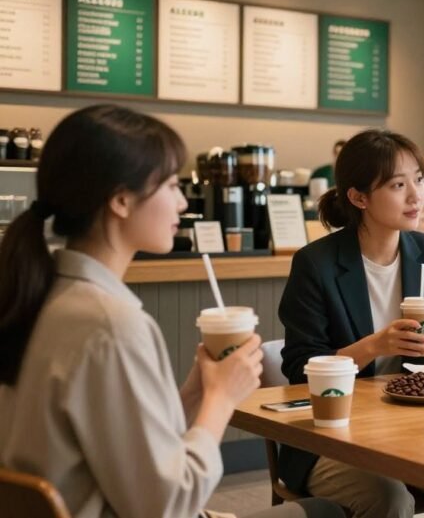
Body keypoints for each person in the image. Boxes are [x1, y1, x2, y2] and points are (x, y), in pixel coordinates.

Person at [0, 105, 340, 518]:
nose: (182, 202)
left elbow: (126, 447)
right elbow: (169, 505)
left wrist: (194, 394)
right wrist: (220, 398)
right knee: (330, 512)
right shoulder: (111, 325)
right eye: (169, 185)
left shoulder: (42, 296)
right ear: (121, 200)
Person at [278, 128, 424, 518]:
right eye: (397, 184)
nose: (415, 195)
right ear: (359, 197)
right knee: (388, 498)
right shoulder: (315, 264)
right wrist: (376, 345)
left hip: (412, 426)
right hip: (333, 435)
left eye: (418, 181)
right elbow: (300, 369)